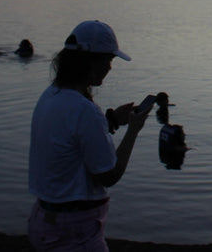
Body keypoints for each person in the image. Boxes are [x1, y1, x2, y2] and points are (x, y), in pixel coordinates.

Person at [27, 20, 152, 252]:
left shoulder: (50, 96)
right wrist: (134, 130)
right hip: (74, 233)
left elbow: (69, 138)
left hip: (44, 220)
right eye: (109, 61)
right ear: (92, 62)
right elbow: (109, 175)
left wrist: (112, 120)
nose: (110, 68)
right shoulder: (85, 110)